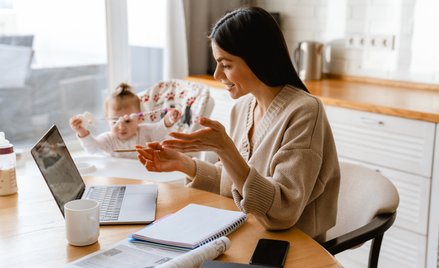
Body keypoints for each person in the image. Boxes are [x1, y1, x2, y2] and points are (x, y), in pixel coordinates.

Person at [136, 7, 340, 241]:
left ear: (257, 59)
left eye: (227, 64)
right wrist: (184, 164)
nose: (216, 75)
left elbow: (284, 211)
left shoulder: (304, 111)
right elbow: (231, 185)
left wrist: (225, 149)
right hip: (248, 232)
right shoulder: (242, 108)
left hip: (293, 245)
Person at [70, 82, 181, 159]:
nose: (121, 127)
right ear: (107, 120)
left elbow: (160, 129)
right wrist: (82, 132)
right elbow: (92, 149)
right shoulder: (108, 139)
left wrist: (168, 119)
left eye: (127, 121)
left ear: (139, 118)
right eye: (115, 121)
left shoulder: (146, 132)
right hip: (117, 179)